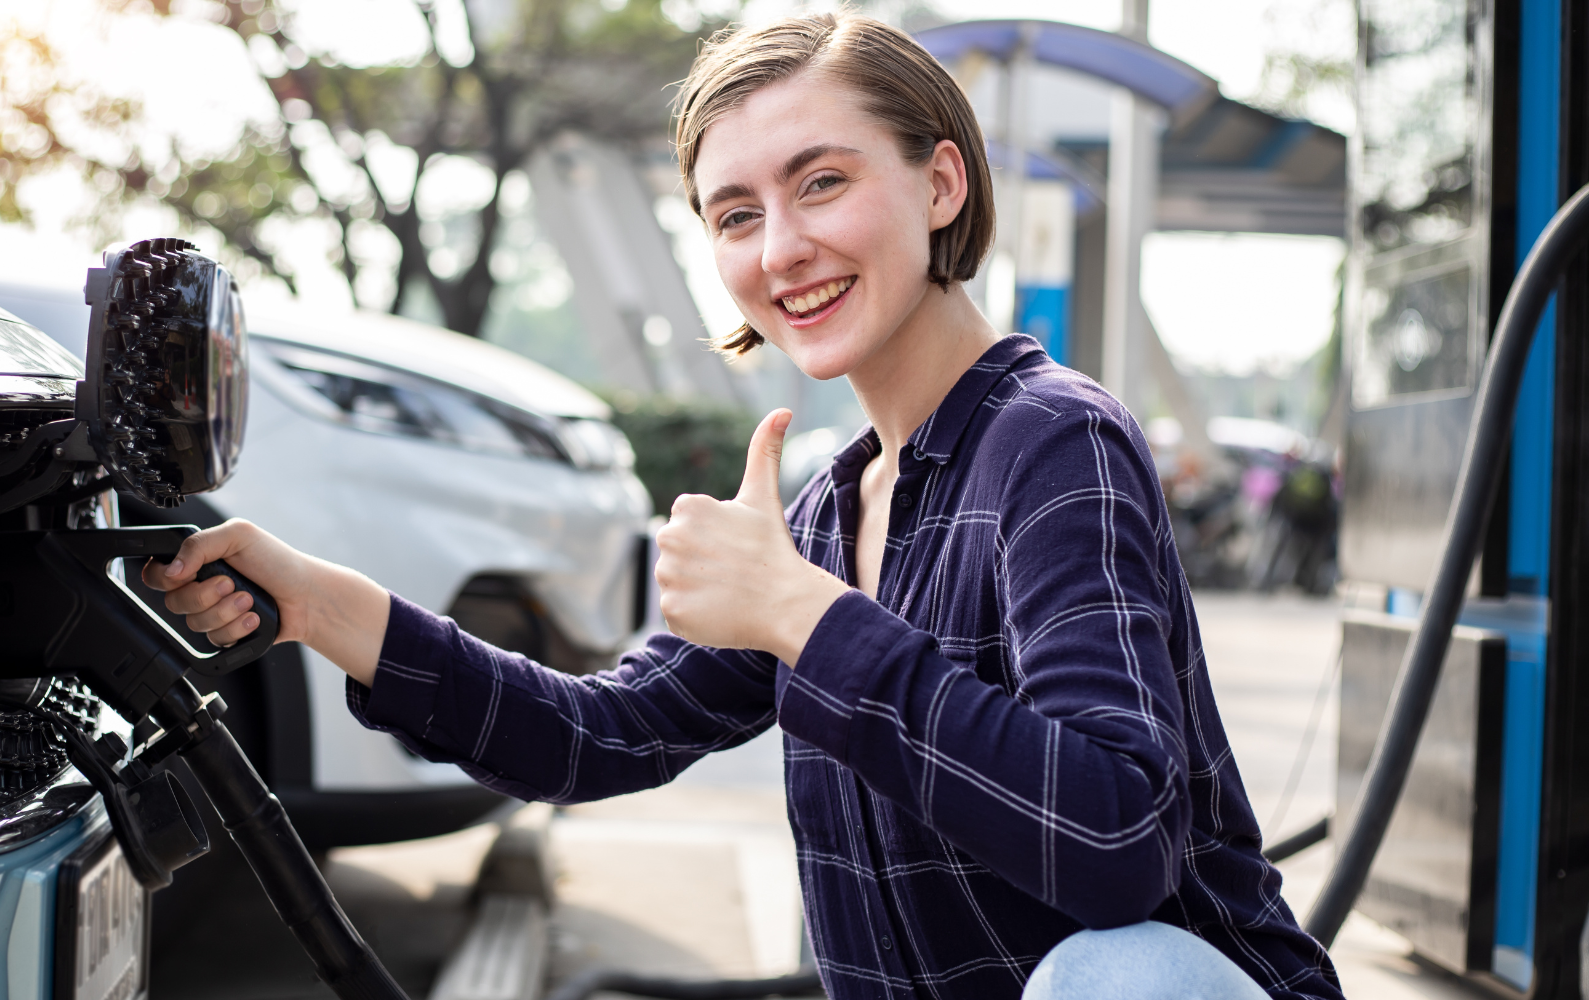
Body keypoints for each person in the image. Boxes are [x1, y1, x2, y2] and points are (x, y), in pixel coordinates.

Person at [144, 12, 1343, 1000]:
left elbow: (1115, 848)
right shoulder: (824, 512)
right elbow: (592, 736)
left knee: (1115, 974)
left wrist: (806, 619)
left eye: (822, 182)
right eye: (735, 213)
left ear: (940, 182)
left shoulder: (1051, 440)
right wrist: (321, 603)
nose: (782, 248)